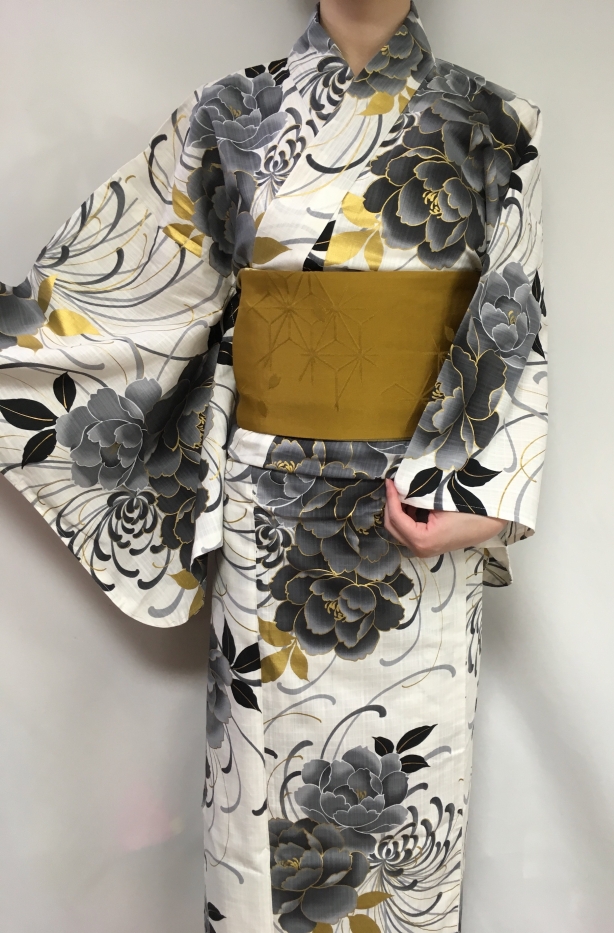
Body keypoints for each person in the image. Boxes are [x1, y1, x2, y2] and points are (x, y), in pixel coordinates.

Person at [0, 0, 547, 929]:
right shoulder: (229, 118)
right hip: (269, 526)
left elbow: (514, 319)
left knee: (407, 813)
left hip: (422, 528)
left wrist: (483, 492)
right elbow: (124, 299)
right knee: (257, 821)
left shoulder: (499, 126)